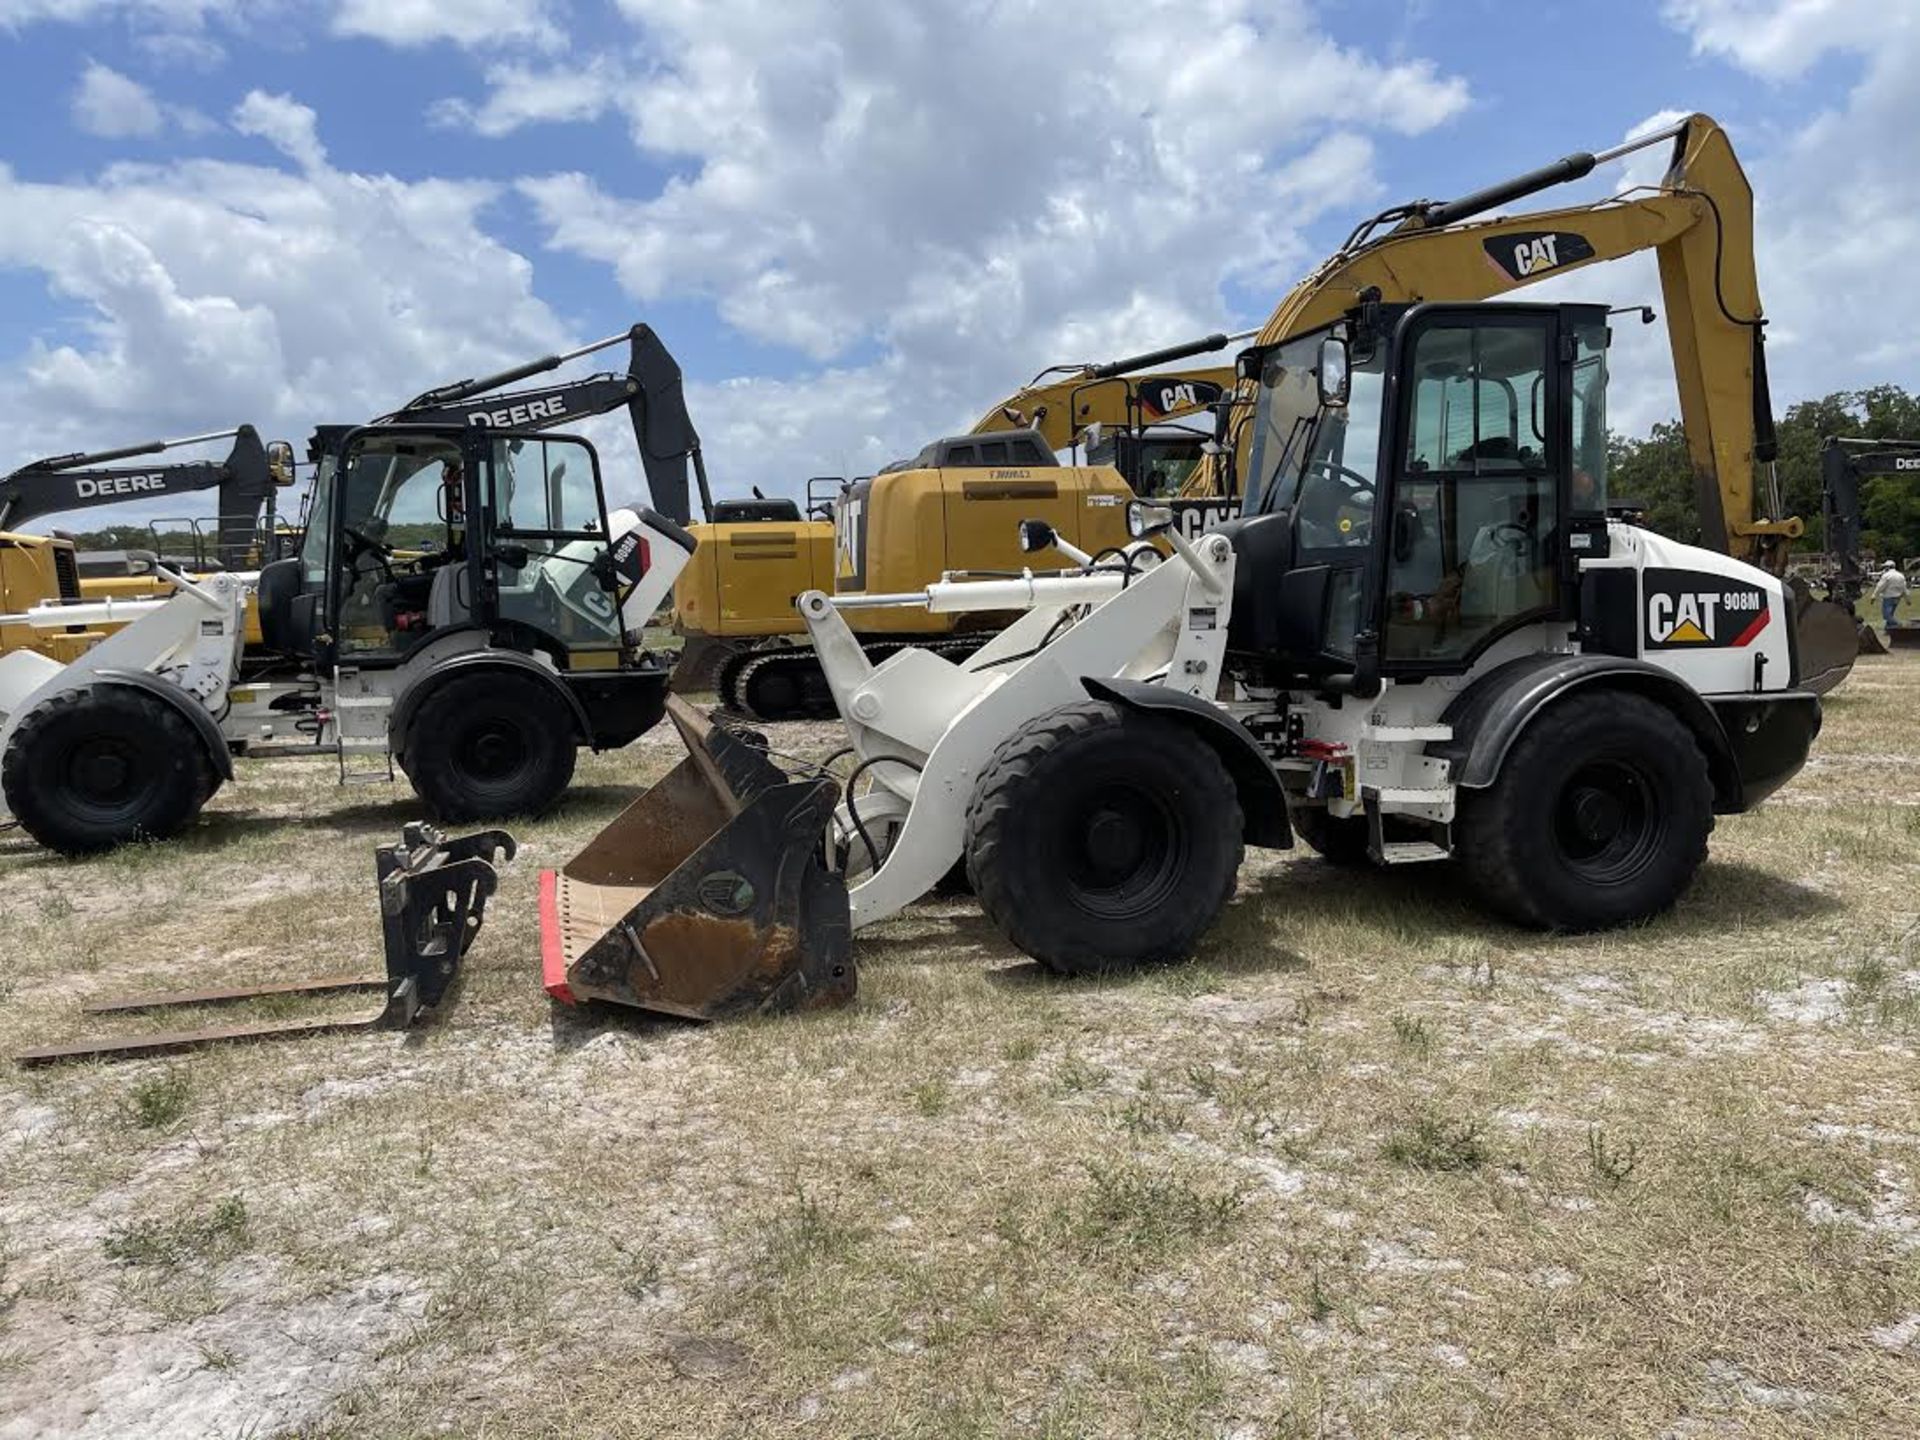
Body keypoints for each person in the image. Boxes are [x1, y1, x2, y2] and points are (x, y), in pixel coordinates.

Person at [1871, 560, 1909, 631]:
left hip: (1888, 598)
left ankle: (1898, 625)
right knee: (1890, 615)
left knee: (1886, 616)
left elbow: (1880, 586)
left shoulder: (1886, 576)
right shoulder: (1901, 575)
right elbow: (1904, 588)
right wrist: (1907, 599)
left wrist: (1874, 595)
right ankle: (1888, 629)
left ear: (1888, 568)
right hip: (1897, 598)